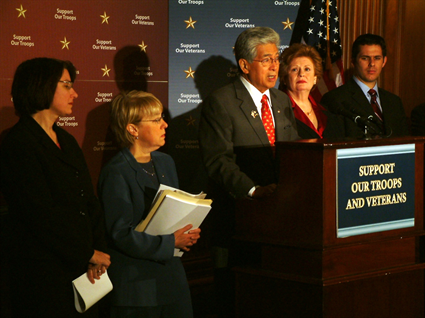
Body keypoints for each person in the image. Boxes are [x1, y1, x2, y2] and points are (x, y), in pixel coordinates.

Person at [198, 26, 299, 317]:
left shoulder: (280, 100)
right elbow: (219, 161)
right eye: (266, 59)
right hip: (240, 218)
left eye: (276, 59)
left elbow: (292, 153)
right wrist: (254, 190)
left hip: (280, 220)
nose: (274, 66)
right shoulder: (222, 102)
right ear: (244, 65)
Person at [0, 57, 111, 318]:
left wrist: (98, 251)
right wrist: (87, 253)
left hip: (86, 270)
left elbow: (89, 201)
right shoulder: (18, 144)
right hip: (45, 275)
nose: (75, 93)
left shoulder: (67, 140)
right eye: (66, 85)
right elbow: (38, 215)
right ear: (42, 86)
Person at [97, 90, 201, 318]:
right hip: (138, 289)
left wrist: (188, 230)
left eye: (162, 117)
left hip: (173, 284)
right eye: (156, 120)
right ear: (132, 129)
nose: (165, 124)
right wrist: (171, 241)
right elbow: (120, 233)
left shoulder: (166, 162)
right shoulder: (116, 172)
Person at [321, 33, 409, 139]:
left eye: (377, 58)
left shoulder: (394, 102)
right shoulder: (335, 99)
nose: (372, 63)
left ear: (384, 61)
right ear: (353, 61)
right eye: (365, 58)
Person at [279, 43, 344, 139]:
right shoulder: (277, 110)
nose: (301, 74)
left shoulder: (325, 111)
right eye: (294, 69)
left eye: (307, 69)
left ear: (315, 78)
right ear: (285, 78)